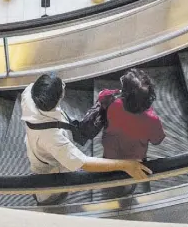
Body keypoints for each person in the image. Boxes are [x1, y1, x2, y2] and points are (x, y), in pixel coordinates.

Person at [21, 73, 151, 205]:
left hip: (38, 147)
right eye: (63, 87)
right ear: (60, 97)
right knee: (51, 194)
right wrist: (125, 165)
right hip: (50, 169)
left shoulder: (28, 94)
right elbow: (83, 163)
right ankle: (49, 201)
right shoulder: (53, 139)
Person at [99, 69, 165, 162]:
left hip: (110, 152)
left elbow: (101, 95)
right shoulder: (152, 119)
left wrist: (117, 92)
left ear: (125, 92)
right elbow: (157, 140)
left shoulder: (111, 102)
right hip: (135, 157)